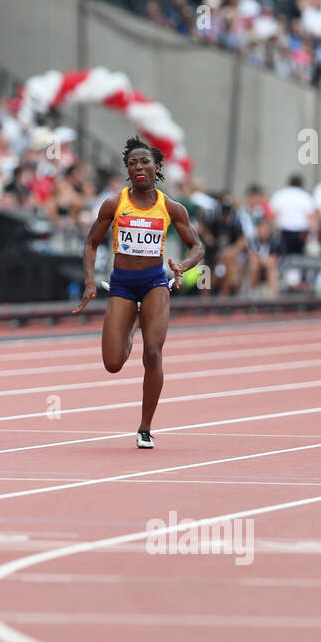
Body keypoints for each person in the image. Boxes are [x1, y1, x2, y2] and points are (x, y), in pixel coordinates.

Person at [72, 137, 205, 448]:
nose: (139, 167)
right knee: (113, 363)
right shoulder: (114, 203)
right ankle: (134, 323)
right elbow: (91, 243)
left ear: (157, 167)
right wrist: (90, 281)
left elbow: (198, 246)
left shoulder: (170, 206)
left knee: (153, 353)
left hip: (155, 283)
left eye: (145, 162)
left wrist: (183, 266)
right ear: (128, 171)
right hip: (122, 284)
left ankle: (145, 427)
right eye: (132, 163)